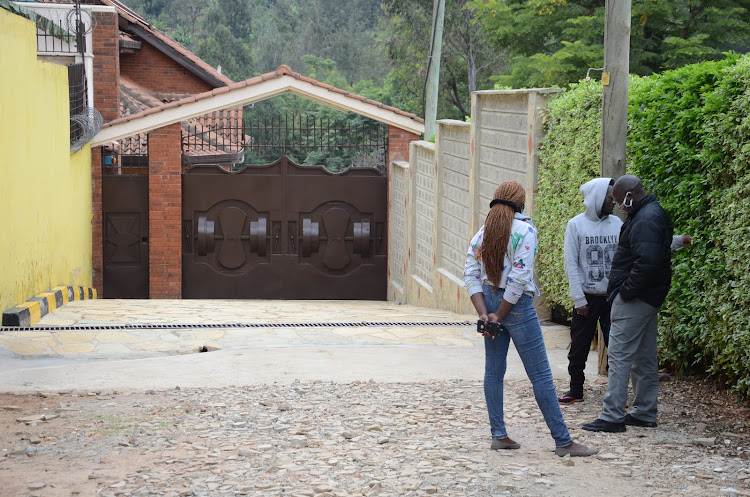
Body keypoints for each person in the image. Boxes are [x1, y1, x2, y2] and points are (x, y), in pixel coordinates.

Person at [464, 180, 598, 457]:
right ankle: (563, 441)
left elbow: (470, 275)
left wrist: (485, 314)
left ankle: (498, 436)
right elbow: (519, 279)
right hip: (517, 307)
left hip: (489, 303)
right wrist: (500, 316)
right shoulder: (525, 231)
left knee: (493, 372)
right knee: (541, 376)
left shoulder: (482, 233)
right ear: (522, 205)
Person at [582, 175, 677, 433]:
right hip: (649, 298)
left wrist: (625, 293)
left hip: (635, 298)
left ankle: (612, 415)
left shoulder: (645, 219)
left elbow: (647, 263)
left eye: (618, 201)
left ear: (629, 196)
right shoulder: (651, 213)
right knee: (644, 357)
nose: (618, 207)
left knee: (620, 356)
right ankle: (644, 412)